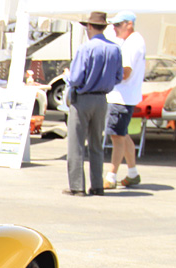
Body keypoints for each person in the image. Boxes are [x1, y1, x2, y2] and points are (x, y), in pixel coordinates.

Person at [63, 12, 122, 196]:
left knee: (76, 144)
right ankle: (97, 185)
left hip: (83, 98)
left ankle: (77, 186)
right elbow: (119, 77)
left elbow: (75, 78)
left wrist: (66, 75)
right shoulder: (115, 49)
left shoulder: (85, 48)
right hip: (101, 99)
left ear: (89, 26)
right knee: (97, 144)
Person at [104, 11, 145, 190]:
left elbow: (125, 73)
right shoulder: (135, 40)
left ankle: (111, 176)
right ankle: (132, 173)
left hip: (121, 97)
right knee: (122, 133)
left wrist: (106, 79)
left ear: (129, 24)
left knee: (117, 136)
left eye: (118, 24)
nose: (114, 28)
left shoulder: (131, 43)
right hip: (126, 96)